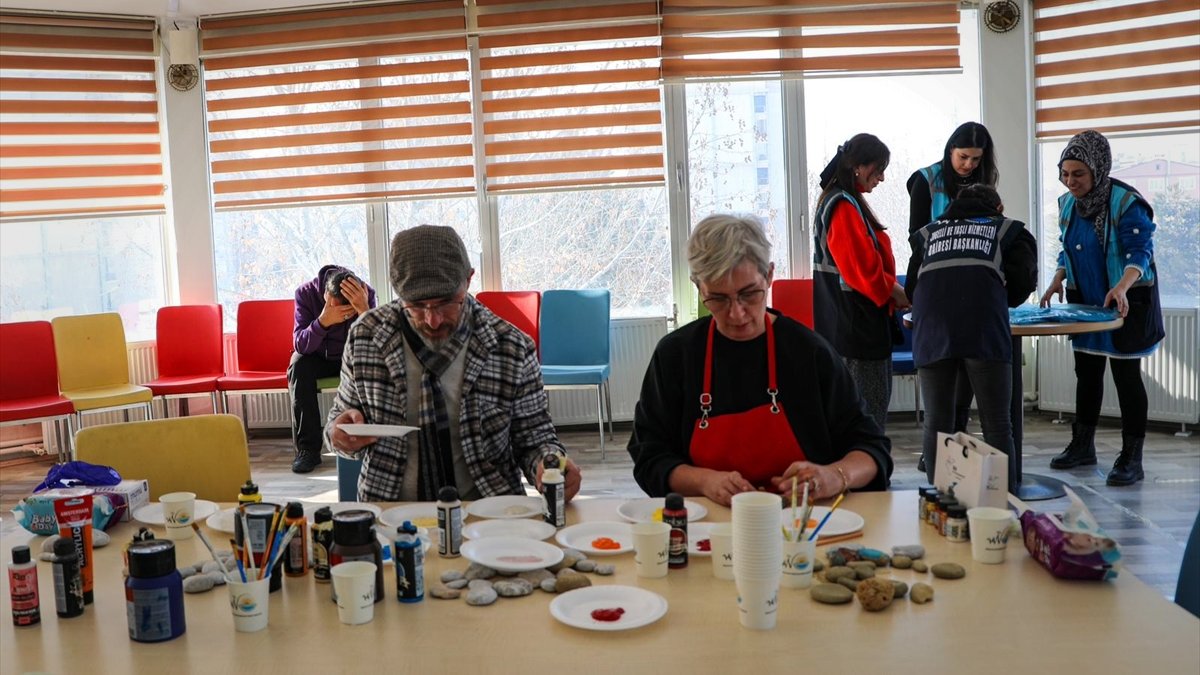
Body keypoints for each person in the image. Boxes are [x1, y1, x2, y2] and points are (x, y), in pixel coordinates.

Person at [628, 214, 892, 507]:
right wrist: (704, 481)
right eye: (718, 298)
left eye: (749, 294)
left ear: (768, 275)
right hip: (708, 525)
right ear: (698, 287)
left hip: (801, 526)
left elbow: (872, 449)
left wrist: (834, 475)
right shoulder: (675, 355)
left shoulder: (809, 353)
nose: (736, 313)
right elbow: (648, 456)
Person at [325, 225, 582, 502]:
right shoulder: (366, 337)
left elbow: (534, 436)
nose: (432, 319)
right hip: (390, 509)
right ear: (398, 293)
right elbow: (340, 418)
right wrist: (338, 434)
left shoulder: (510, 347)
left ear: (469, 280)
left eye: (447, 302)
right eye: (416, 305)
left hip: (489, 511)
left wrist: (550, 464)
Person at [1040, 130, 1165, 486]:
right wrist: (1058, 278)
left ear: (1098, 169)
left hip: (1125, 300)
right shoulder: (1067, 204)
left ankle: (1131, 457)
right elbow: (1068, 248)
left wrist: (1123, 286)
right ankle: (1083, 446)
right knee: (1088, 373)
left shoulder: (1127, 203)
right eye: (1065, 174)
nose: (1070, 181)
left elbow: (1139, 252)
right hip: (1087, 301)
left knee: (1126, 378)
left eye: (1078, 174)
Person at [905, 184, 1037, 483]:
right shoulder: (1009, 231)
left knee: (937, 422)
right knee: (997, 423)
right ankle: (1003, 504)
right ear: (998, 209)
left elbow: (912, 289)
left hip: (932, 330)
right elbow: (1022, 284)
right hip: (983, 330)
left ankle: (942, 505)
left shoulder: (928, 234)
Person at [908, 122, 1000, 447]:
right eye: (963, 157)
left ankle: (956, 445)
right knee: (941, 392)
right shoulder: (925, 180)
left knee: (968, 381)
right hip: (938, 287)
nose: (969, 165)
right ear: (950, 151)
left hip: (974, 294)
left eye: (976, 159)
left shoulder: (982, 180)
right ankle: (938, 452)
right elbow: (915, 239)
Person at [812, 133, 910, 434]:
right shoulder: (843, 206)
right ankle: (866, 474)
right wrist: (904, 295)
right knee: (867, 417)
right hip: (856, 331)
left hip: (850, 328)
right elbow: (864, 274)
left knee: (861, 414)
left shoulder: (847, 201)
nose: (881, 177)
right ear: (857, 166)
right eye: (877, 169)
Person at [289, 265, 376, 473]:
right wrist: (323, 322)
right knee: (298, 365)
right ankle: (308, 450)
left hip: (351, 355)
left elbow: (376, 341)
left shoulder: (365, 292)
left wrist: (364, 310)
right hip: (318, 357)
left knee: (373, 363)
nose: (344, 317)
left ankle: (368, 439)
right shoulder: (305, 293)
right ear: (326, 296)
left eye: (348, 312)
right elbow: (300, 344)